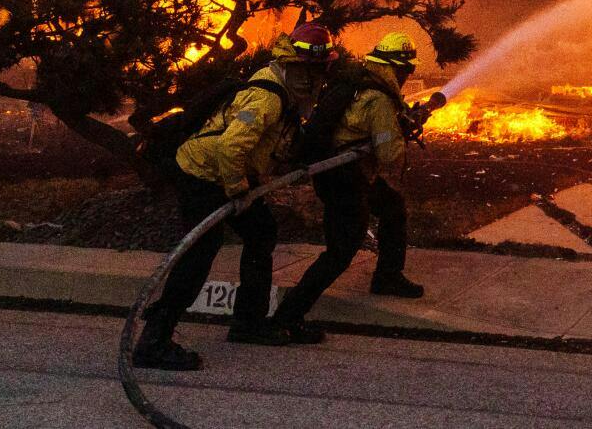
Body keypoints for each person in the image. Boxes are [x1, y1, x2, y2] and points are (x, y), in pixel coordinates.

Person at [132, 22, 338, 371]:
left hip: (230, 174)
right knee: (199, 255)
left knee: (261, 233)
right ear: (294, 65)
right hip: (203, 174)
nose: (314, 80)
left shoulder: (283, 89)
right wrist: (239, 191)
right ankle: (153, 341)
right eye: (310, 72)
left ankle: (249, 322)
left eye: (319, 71)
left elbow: (269, 144)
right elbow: (230, 147)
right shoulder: (267, 97)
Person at [269, 31, 424, 341]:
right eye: (407, 70)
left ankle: (388, 276)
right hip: (343, 177)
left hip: (345, 171)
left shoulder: (361, 83)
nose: (408, 76)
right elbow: (389, 154)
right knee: (341, 251)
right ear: (396, 68)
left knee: (391, 205)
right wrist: (403, 131)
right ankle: (287, 317)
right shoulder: (378, 98)